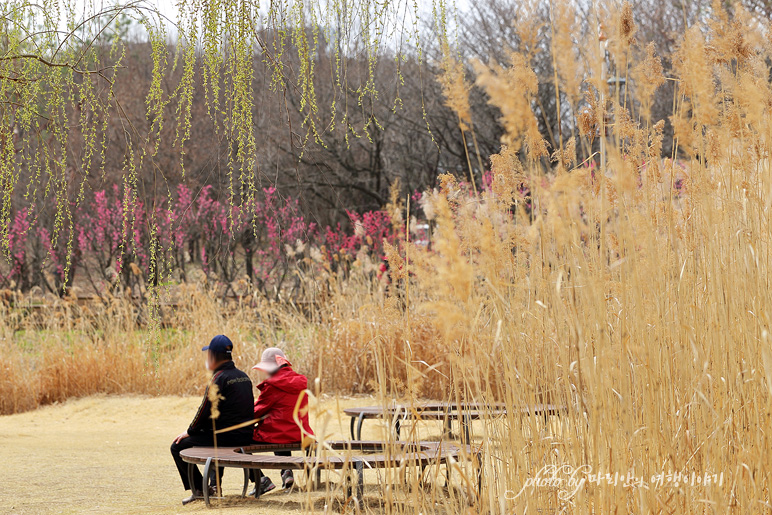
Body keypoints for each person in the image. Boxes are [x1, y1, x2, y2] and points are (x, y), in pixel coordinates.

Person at [170, 335, 255, 505]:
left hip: (226, 437)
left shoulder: (218, 379)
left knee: (177, 446)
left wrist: (190, 431)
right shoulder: (244, 376)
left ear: (214, 356)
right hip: (245, 436)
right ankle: (213, 486)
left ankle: (201, 491)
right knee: (211, 436)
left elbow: (204, 411)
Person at [249, 347, 314, 496]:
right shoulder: (300, 382)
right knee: (282, 428)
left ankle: (260, 479)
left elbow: (256, 412)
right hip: (301, 434)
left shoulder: (272, 386)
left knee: (239, 438)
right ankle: (286, 472)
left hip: (277, 435)